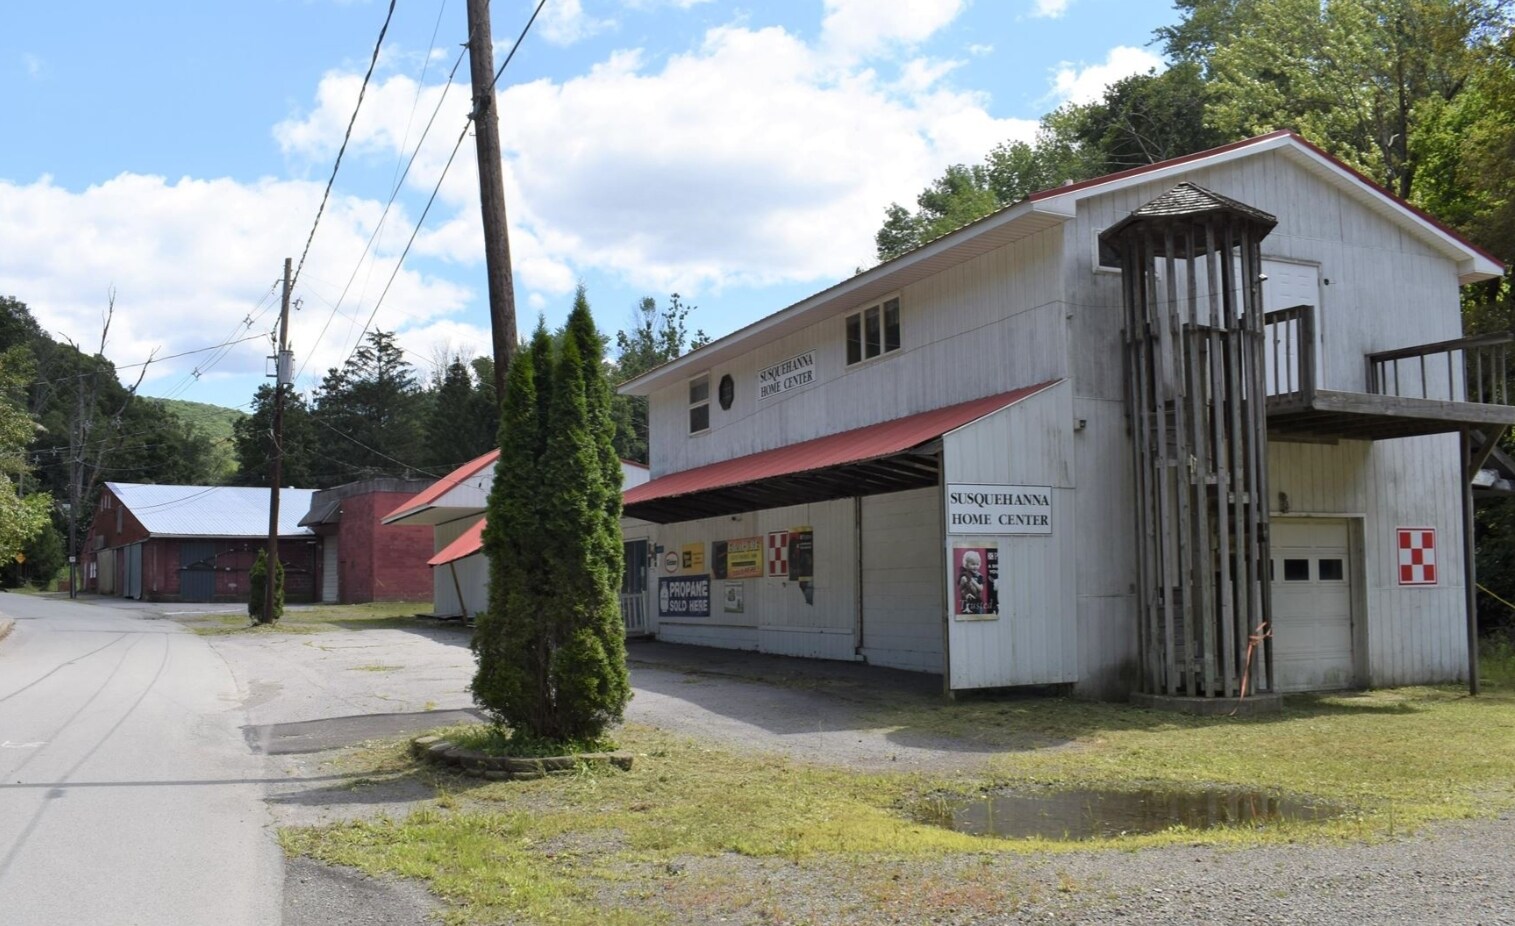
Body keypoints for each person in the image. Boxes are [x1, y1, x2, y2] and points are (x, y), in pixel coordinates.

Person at [957, 549, 985, 614]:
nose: (975, 566)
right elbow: (960, 589)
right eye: (973, 564)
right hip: (967, 603)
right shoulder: (964, 575)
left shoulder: (979, 576)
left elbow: (980, 588)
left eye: (977, 564)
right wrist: (962, 582)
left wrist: (972, 580)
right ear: (966, 564)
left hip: (978, 603)